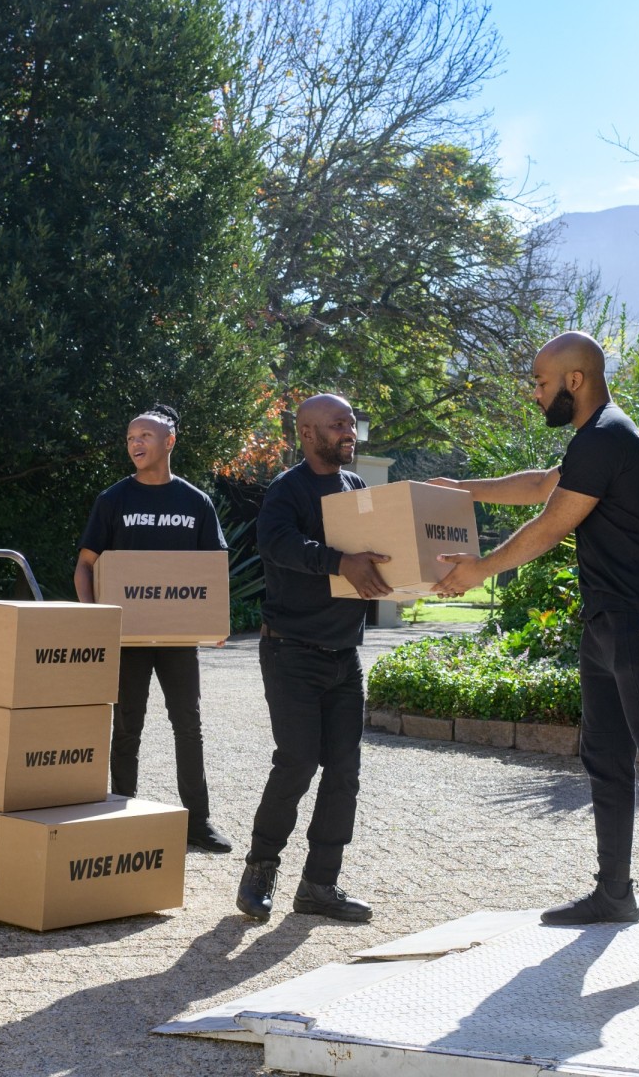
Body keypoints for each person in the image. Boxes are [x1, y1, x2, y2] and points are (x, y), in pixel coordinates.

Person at [430, 332, 639, 949]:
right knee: (604, 755)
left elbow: (551, 522)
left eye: (540, 382)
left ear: (574, 381)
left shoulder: (608, 435)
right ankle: (614, 893)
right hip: (608, 619)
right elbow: (541, 486)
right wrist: (465, 490)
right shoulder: (593, 439)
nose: (534, 393)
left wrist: (478, 568)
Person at [235, 394, 392, 923]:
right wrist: (339, 562)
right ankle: (260, 866)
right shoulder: (287, 490)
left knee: (344, 769)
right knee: (298, 760)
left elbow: (373, 550)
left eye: (351, 421)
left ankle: (319, 885)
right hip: (291, 651)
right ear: (307, 432)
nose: (350, 430)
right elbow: (277, 544)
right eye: (338, 424)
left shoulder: (355, 488)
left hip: (344, 656)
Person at [74, 405, 233, 853]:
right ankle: (120, 812)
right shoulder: (113, 501)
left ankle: (197, 824)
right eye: (130, 438)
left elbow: (213, 569)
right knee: (127, 726)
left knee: (189, 725)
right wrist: (95, 618)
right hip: (128, 637)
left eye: (146, 435)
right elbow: (86, 566)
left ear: (170, 441)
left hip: (178, 638)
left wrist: (214, 619)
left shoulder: (195, 502)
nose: (136, 444)